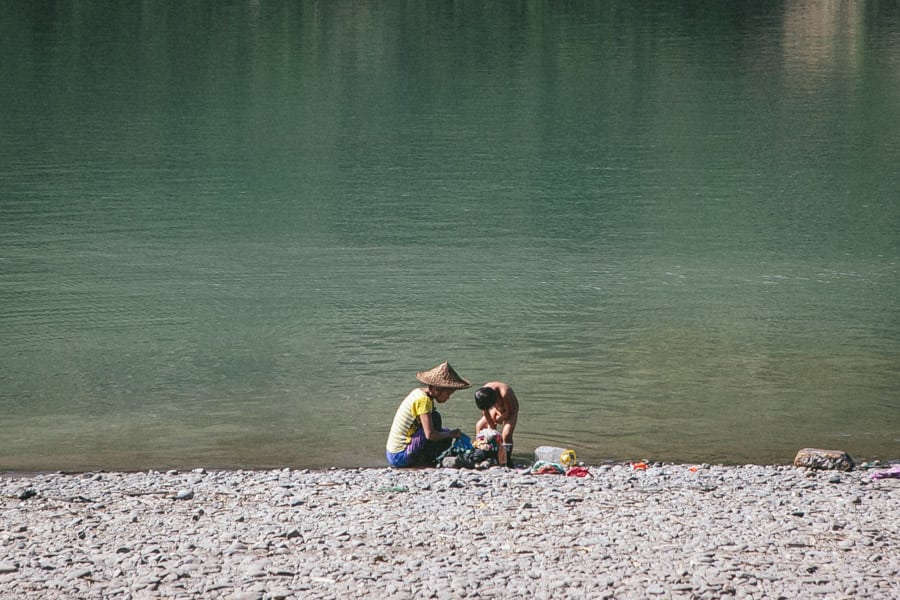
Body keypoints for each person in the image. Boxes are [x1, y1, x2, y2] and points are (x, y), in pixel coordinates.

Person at [385, 361, 470, 468]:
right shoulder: (423, 401)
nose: (448, 397)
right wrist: (452, 434)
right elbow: (430, 435)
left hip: (392, 453)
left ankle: (424, 459)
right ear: (436, 389)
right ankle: (424, 462)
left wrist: (449, 433)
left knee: (437, 421)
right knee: (438, 424)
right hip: (399, 457)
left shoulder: (419, 392)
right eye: (448, 393)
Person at [474, 381, 519, 466]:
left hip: (510, 410)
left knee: (506, 434)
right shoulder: (483, 394)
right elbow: (485, 411)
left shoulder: (505, 393)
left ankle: (506, 458)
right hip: (495, 408)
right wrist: (491, 427)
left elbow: (509, 412)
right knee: (479, 426)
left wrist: (499, 419)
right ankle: (481, 450)